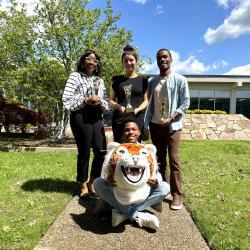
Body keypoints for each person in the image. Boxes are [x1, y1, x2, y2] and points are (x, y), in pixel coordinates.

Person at [94, 117, 170, 231]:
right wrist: (108, 179)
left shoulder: (146, 150)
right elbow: (105, 171)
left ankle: (124, 213)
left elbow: (156, 173)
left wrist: (156, 180)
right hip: (119, 194)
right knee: (98, 183)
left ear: (139, 132)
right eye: (127, 130)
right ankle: (136, 215)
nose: (131, 132)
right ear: (123, 133)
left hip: (141, 193)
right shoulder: (116, 150)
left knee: (164, 187)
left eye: (134, 129)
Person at [144, 48, 190, 210]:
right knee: (159, 160)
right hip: (155, 126)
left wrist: (172, 117)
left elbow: (185, 102)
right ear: (157, 61)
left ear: (171, 59)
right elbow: (149, 105)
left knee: (174, 160)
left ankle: (176, 194)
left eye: (165, 57)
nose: (162, 60)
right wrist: (146, 124)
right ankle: (161, 190)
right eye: (159, 58)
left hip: (173, 126)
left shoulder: (180, 79)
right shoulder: (152, 81)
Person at [62, 49, 108, 198]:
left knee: (101, 152)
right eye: (89, 59)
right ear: (83, 61)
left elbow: (106, 102)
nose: (91, 62)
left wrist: (102, 104)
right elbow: (67, 100)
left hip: (96, 117)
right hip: (81, 116)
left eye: (95, 60)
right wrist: (85, 99)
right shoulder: (75, 76)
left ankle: (92, 181)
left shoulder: (99, 81)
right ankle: (82, 184)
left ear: (97, 64)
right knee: (84, 152)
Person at [109, 45, 148, 143]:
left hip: (137, 118)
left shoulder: (143, 80)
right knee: (120, 148)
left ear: (136, 61)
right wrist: (119, 107)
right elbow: (110, 101)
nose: (128, 63)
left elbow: (146, 100)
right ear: (122, 63)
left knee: (136, 150)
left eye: (131, 60)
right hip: (120, 119)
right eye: (125, 61)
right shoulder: (116, 80)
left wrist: (138, 109)